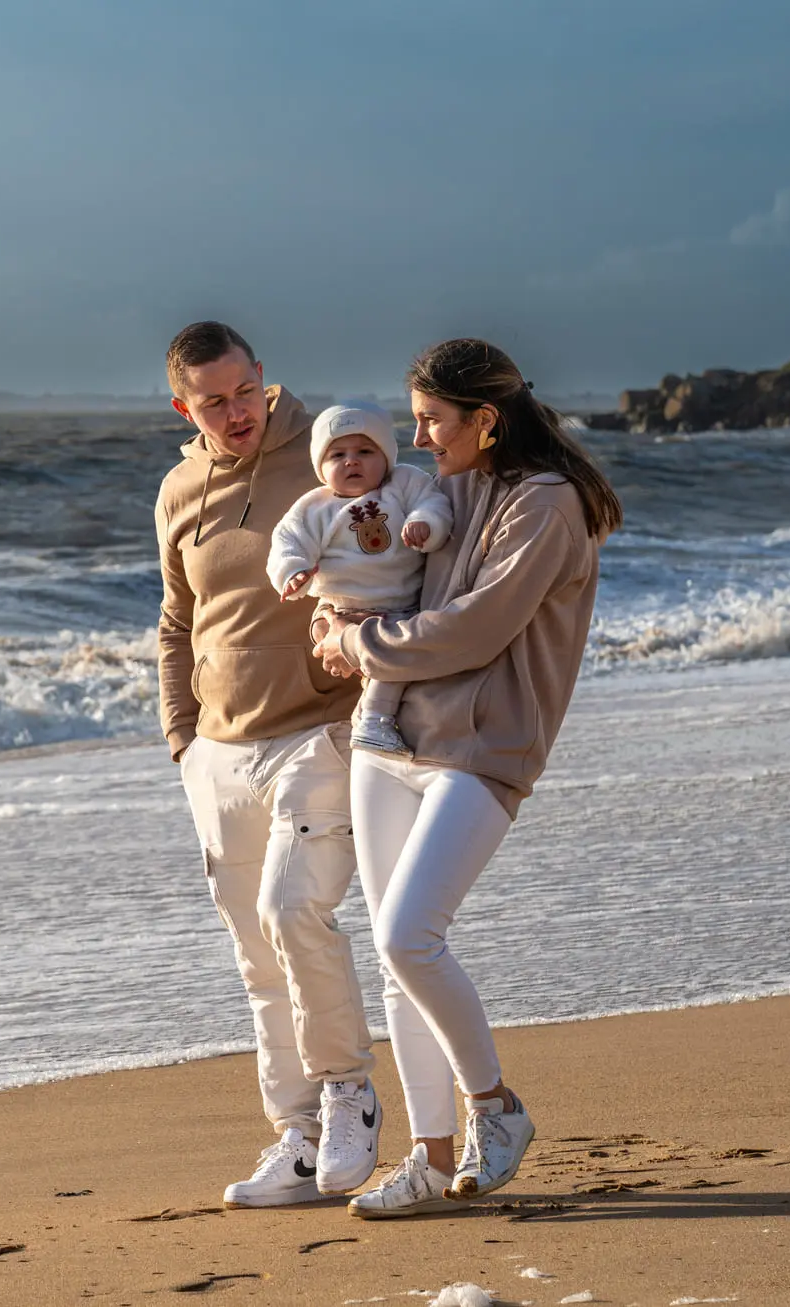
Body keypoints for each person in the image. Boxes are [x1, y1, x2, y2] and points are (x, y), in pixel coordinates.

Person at [308, 338, 624, 1219]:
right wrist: (331, 613)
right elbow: (376, 564)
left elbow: (476, 629)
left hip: (484, 750)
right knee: (396, 961)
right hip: (388, 738)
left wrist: (357, 642)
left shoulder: (547, 503)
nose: (417, 438)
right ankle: (429, 1155)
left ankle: (495, 1106)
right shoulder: (446, 487)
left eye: (431, 420)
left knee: (410, 935)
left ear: (485, 419)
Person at [156, 321, 383, 1207]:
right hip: (219, 751)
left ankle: (348, 1094)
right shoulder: (179, 489)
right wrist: (183, 739)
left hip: (318, 733)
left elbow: (401, 558)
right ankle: (296, 1133)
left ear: (263, 377)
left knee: (295, 914)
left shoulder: (324, 456)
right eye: (214, 401)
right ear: (185, 408)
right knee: (255, 951)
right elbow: (177, 621)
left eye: (246, 390)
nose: (237, 411)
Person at [266, 403, 453, 756]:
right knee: (377, 656)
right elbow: (287, 542)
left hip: (397, 606)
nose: (351, 462)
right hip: (336, 609)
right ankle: (374, 720)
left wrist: (425, 524)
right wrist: (293, 573)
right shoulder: (313, 507)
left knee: (391, 657)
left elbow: (434, 504)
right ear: (320, 465)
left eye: (365, 452)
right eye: (337, 455)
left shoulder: (404, 482)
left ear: (386, 456)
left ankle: (371, 720)